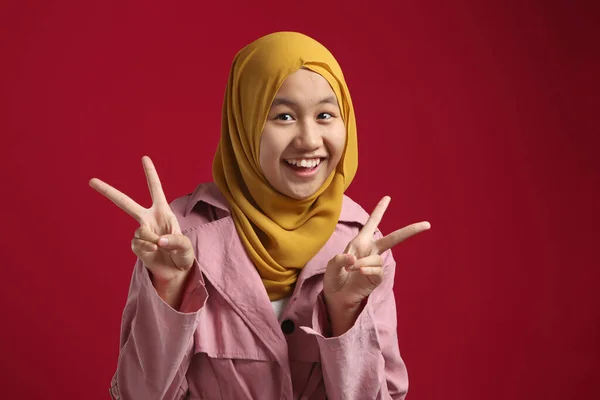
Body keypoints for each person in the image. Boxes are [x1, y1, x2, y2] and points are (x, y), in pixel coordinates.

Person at [90, 31, 430, 400]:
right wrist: (171, 290)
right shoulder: (178, 238)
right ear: (245, 124)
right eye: (283, 116)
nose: (309, 140)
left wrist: (345, 314)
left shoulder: (364, 247)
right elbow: (138, 395)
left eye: (325, 115)